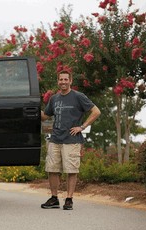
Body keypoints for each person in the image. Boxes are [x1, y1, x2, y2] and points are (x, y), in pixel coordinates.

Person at [41, 70, 101, 210]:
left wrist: (82, 126)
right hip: (55, 139)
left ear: (70, 81)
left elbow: (96, 111)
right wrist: (29, 107)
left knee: (71, 170)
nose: (63, 82)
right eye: (60, 79)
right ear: (58, 81)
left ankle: (69, 199)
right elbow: (45, 116)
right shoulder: (54, 99)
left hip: (71, 139)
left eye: (65, 79)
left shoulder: (78, 96)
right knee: (52, 169)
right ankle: (54, 199)